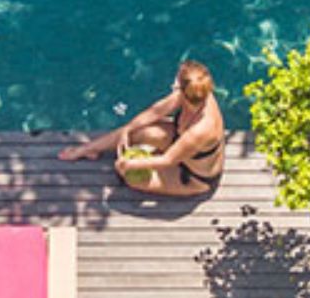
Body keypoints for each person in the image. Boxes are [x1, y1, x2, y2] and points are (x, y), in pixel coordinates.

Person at [57, 60, 225, 199]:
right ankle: (87, 150)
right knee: (140, 132)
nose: (173, 82)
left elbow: (168, 160)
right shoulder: (194, 93)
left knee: (130, 176)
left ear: (181, 88)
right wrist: (128, 130)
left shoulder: (202, 129)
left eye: (176, 80)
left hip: (193, 177)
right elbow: (155, 112)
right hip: (181, 148)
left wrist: (131, 163)